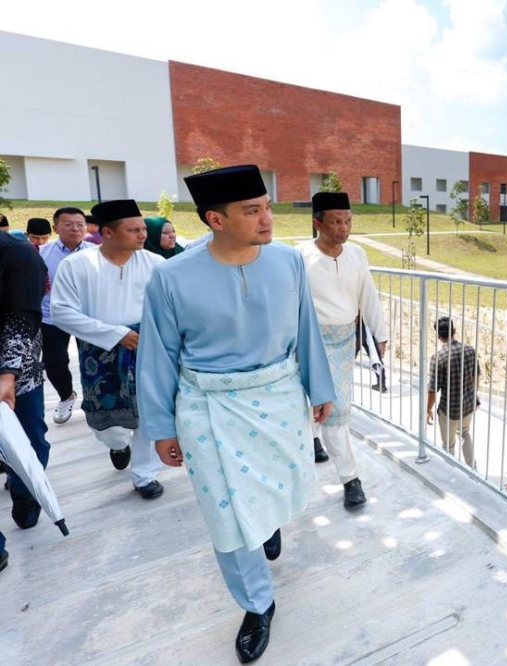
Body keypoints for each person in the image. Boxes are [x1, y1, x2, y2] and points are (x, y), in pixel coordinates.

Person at [137, 165, 334, 664]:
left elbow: (305, 327)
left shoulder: (288, 262)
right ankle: (257, 603)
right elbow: (157, 356)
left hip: (280, 397)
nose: (268, 218)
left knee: (273, 491)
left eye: (266, 206)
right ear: (215, 219)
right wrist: (160, 427)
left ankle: (265, 525)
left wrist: (318, 386)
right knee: (226, 517)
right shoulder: (171, 277)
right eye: (252, 211)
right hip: (209, 408)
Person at [50, 199, 165, 500]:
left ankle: (144, 475)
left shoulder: (156, 264)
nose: (142, 235)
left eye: (142, 229)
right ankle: (117, 444)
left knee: (147, 413)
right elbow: (62, 312)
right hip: (99, 353)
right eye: (133, 230)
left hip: (146, 348)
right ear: (108, 233)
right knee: (109, 423)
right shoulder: (77, 265)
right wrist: (114, 333)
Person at [296, 191, 386, 508]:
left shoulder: (357, 254)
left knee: (337, 411)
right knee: (305, 407)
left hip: (344, 342)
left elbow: (368, 295)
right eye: (336, 221)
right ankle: (311, 459)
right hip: (308, 343)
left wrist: (380, 335)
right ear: (317, 222)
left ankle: (350, 479)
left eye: (348, 221)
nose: (344, 228)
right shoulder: (300, 256)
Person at [0, 228, 52, 568]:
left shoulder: (17, 254)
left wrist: (8, 373)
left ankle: (23, 487)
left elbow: (23, 319)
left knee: (30, 442)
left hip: (16, 376)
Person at [38, 207, 95, 425]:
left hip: (87, 316)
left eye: (80, 224)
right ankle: (66, 396)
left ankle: (93, 400)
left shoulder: (96, 252)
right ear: (55, 228)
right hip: (52, 317)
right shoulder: (42, 253)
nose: (75, 229)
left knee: (92, 361)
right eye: (68, 224)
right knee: (54, 362)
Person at [426, 316, 479, 467]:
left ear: (438, 337)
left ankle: (452, 471)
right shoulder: (470, 351)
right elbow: (476, 377)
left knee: (448, 444)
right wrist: (474, 396)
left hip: (449, 409)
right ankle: (472, 468)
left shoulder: (438, 358)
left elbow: (432, 389)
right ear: (454, 331)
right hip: (468, 406)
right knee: (465, 433)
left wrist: (428, 410)